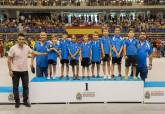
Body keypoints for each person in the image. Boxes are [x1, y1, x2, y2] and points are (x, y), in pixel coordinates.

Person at [7, 33, 47, 108]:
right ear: (17, 40)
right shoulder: (13, 48)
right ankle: (17, 102)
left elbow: (33, 52)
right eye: (20, 39)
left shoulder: (26, 47)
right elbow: (9, 60)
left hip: (25, 71)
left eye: (22, 39)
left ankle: (25, 101)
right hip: (15, 71)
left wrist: (42, 53)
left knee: (26, 87)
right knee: (15, 87)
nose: (21, 41)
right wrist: (10, 70)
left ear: (24, 40)